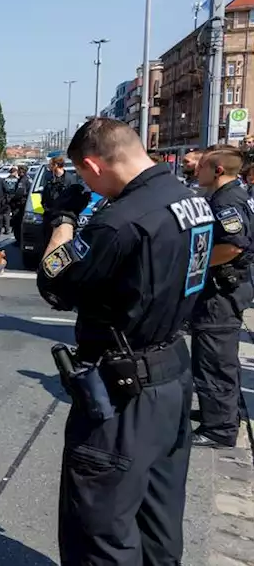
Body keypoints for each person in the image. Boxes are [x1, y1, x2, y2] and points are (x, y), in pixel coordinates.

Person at [35, 118, 209, 565]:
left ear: (93, 164)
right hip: (171, 371)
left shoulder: (118, 223)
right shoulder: (190, 201)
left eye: (84, 176)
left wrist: (63, 220)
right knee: (158, 516)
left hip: (122, 391)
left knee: (101, 528)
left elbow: (55, 280)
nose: (88, 185)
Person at [189, 147, 254, 449]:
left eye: (201, 166)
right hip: (225, 289)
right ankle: (222, 413)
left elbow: (233, 245)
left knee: (214, 359)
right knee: (218, 357)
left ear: (217, 171)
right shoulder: (227, 196)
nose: (195, 171)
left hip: (221, 292)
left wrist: (195, 265)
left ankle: (219, 428)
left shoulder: (226, 200)